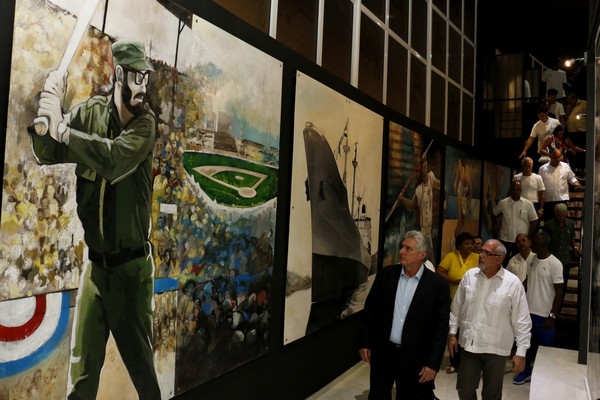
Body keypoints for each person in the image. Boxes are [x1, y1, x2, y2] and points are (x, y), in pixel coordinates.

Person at [29, 40, 161, 399]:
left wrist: (64, 131)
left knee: (144, 378)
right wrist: (47, 117)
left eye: (146, 80)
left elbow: (114, 161)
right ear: (119, 74)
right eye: (137, 78)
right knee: (82, 379)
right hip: (96, 272)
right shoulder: (90, 113)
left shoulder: (145, 125)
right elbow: (48, 153)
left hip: (131, 274)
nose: (142, 88)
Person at [359, 230, 450, 400]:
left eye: (408, 249)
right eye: (402, 247)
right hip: (383, 353)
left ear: (422, 254)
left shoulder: (437, 286)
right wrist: (365, 342)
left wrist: (432, 363)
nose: (401, 251)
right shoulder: (386, 275)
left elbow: (440, 329)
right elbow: (370, 311)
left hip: (415, 357)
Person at [449, 239, 532, 400]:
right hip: (469, 346)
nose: (481, 255)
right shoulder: (469, 276)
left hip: (496, 349)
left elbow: (522, 321)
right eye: (481, 251)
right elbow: (457, 307)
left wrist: (521, 352)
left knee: (491, 395)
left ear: (499, 258)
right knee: (464, 390)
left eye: (486, 253)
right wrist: (452, 333)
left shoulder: (512, 283)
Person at [513, 232, 564, 385]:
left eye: (536, 244)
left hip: (544, 314)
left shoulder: (555, 264)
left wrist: (553, 315)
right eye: (533, 243)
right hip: (529, 312)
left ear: (545, 245)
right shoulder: (533, 259)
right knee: (527, 346)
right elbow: (528, 280)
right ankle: (525, 372)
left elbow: (559, 291)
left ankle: (546, 377)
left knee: (546, 349)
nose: (533, 246)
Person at [436, 232, 479, 374]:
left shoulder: (478, 258)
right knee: (454, 332)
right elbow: (440, 270)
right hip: (453, 299)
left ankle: (468, 363)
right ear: (459, 245)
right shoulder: (451, 257)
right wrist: (453, 281)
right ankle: (454, 362)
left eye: (471, 244)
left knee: (467, 332)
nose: (470, 246)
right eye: (466, 244)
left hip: (473, 302)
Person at [399, 154, 441, 264]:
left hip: (431, 227)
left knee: (430, 256)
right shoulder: (418, 190)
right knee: (424, 256)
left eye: (423, 168)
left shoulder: (430, 178)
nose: (422, 172)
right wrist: (402, 199)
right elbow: (411, 205)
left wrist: (424, 159)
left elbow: (439, 184)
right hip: (423, 229)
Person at [492, 180, 538, 265]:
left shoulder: (528, 204)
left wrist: (529, 236)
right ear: (511, 190)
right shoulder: (503, 203)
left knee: (519, 264)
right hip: (505, 239)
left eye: (518, 190)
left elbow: (534, 220)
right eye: (513, 189)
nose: (515, 192)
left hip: (521, 241)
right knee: (503, 263)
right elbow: (495, 214)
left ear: (521, 190)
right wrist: (496, 226)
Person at [542, 203, 581, 296]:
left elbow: (571, 239)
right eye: (559, 216)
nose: (561, 218)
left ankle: (558, 308)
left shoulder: (570, 224)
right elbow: (544, 241)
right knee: (549, 284)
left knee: (562, 285)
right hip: (551, 259)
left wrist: (575, 248)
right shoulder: (548, 225)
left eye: (564, 215)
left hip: (565, 260)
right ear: (555, 214)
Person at [538, 149, 583, 222]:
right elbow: (540, 185)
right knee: (549, 222)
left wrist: (575, 183)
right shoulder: (542, 169)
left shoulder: (565, 166)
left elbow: (571, 178)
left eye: (559, 157)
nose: (558, 159)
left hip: (562, 199)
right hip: (548, 201)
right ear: (550, 156)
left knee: (562, 222)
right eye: (556, 157)